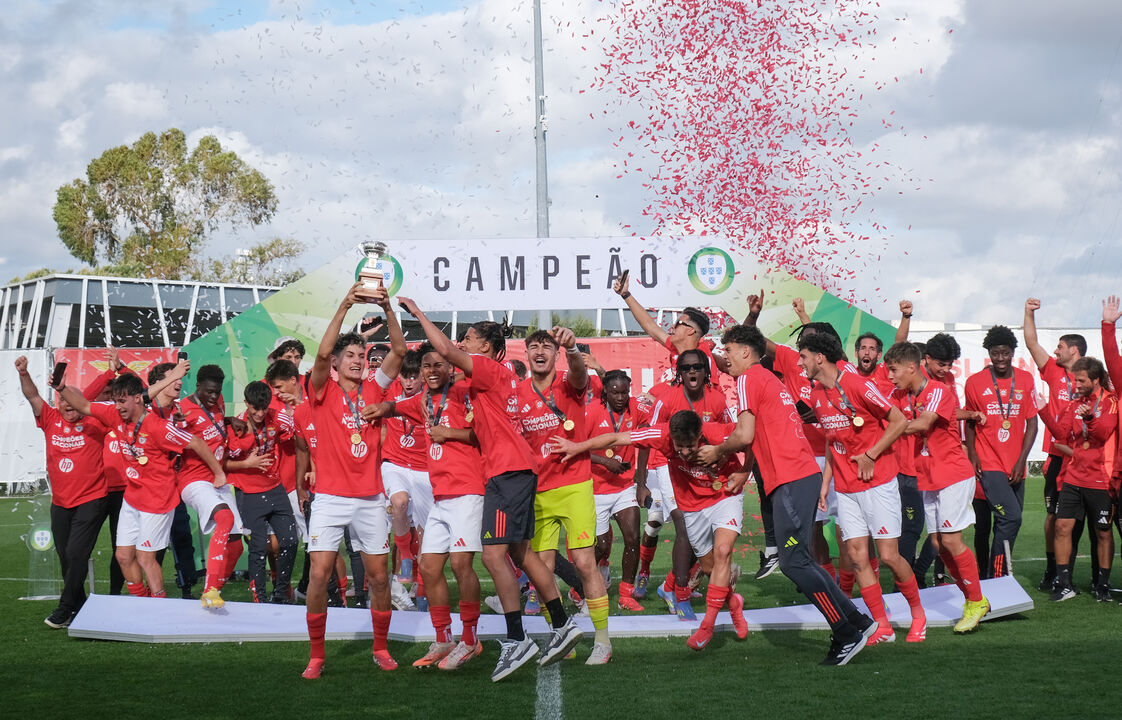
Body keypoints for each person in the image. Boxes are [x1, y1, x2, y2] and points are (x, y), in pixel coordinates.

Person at [398, 296, 580, 682]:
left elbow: (444, 349)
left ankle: (516, 638)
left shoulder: (488, 371)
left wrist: (417, 313)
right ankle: (563, 624)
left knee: (494, 557)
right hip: (517, 471)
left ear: (489, 349)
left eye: (469, 338)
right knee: (522, 553)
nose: (462, 343)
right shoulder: (495, 382)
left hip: (506, 473)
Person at [698, 325, 875, 666]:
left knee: (794, 562)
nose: (725, 357)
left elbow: (745, 433)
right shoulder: (767, 378)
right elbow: (762, 434)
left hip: (791, 479)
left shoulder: (749, 378)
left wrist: (717, 450)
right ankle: (857, 621)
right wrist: (745, 468)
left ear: (745, 352)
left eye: (729, 350)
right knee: (803, 560)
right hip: (798, 476)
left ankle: (845, 634)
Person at [553, 410, 750, 650]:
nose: (686, 452)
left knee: (722, 552)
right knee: (710, 566)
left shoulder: (718, 432)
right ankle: (732, 603)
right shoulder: (661, 434)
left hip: (725, 496)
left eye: (691, 446)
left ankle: (707, 626)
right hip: (692, 505)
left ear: (700, 434)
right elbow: (616, 438)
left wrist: (744, 470)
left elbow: (750, 439)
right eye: (680, 447)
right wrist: (578, 447)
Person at [300, 283, 406, 679]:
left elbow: (397, 352)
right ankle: (316, 655)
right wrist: (345, 302)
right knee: (318, 574)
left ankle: (380, 647)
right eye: (353, 355)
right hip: (329, 498)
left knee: (379, 576)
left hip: (368, 499)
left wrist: (388, 308)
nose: (360, 360)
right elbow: (323, 352)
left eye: (363, 355)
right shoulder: (321, 390)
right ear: (339, 361)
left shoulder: (375, 388)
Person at [797, 333, 927, 644]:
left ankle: (918, 614)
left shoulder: (857, 385)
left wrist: (870, 454)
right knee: (856, 558)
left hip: (878, 481)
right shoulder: (816, 395)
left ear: (819, 358)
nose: (800, 362)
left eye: (803, 356)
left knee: (889, 556)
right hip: (845, 486)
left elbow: (897, 421)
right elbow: (833, 441)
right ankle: (881, 625)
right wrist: (825, 483)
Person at [370, 343, 487, 670]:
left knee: (462, 566)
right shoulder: (422, 401)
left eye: (438, 365)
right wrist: (378, 408)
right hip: (441, 495)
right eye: (426, 366)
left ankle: (469, 639)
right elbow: (393, 406)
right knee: (431, 567)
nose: (432, 370)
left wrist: (448, 433)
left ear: (450, 368)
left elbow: (484, 435)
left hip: (467, 492)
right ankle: (443, 638)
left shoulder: (465, 394)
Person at [58, 372, 225, 600]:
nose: (118, 406)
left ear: (138, 398)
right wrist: (61, 388)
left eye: (122, 400)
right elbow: (85, 406)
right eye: (116, 401)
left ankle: (158, 608)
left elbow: (195, 442)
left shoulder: (157, 427)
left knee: (146, 558)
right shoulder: (115, 415)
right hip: (132, 498)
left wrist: (218, 473)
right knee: (123, 557)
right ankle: (142, 602)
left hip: (158, 501)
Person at [516, 328, 611, 665]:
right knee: (541, 569)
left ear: (555, 354)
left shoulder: (569, 383)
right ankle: (562, 636)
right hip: (538, 492)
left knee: (585, 563)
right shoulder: (518, 394)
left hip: (574, 485)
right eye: (534, 347)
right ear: (526, 353)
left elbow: (580, 372)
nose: (540, 351)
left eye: (547, 346)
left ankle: (602, 641)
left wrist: (572, 347)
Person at [883, 341, 990, 633]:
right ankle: (973, 598)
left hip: (953, 475)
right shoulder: (903, 395)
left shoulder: (938, 390)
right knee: (938, 545)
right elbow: (881, 407)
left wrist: (888, 428)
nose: (890, 377)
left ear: (911, 367)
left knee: (952, 542)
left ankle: (976, 600)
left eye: (894, 370)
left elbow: (922, 424)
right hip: (929, 477)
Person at [16, 356, 110, 628]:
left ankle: (64, 607)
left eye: (72, 401)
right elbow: (32, 395)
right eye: (63, 402)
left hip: (92, 499)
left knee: (77, 553)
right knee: (66, 556)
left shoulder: (96, 422)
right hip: (60, 502)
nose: (67, 406)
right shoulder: (50, 418)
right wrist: (23, 373)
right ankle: (81, 608)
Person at [648, 350, 736, 619]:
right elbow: (647, 437)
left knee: (704, 534)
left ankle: (669, 586)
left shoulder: (718, 401)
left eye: (698, 367)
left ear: (706, 371)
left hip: (703, 470)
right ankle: (681, 593)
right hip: (669, 465)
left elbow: (733, 437)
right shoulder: (667, 400)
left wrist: (720, 459)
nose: (692, 372)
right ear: (679, 373)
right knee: (683, 526)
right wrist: (642, 480)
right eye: (686, 368)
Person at [168, 364, 247, 609]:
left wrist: (230, 420)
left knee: (235, 544)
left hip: (217, 479)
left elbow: (216, 420)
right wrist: (176, 422)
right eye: (209, 392)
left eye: (217, 391)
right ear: (198, 386)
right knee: (224, 519)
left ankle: (213, 595)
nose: (214, 396)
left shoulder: (217, 402)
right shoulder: (182, 410)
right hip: (194, 480)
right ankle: (210, 590)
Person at [1024, 298, 1089, 590]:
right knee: (1053, 517)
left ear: (1073, 350)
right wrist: (1029, 312)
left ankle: (1073, 573)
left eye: (1060, 347)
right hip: (1057, 456)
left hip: (1084, 458)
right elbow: (1030, 341)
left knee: (1078, 520)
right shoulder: (1052, 371)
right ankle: (1053, 571)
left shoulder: (1093, 376)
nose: (1055, 351)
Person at [963, 325, 1038, 579]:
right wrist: (972, 454)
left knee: (1007, 524)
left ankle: (996, 575)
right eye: (995, 353)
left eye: (1005, 353)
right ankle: (997, 577)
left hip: (1016, 465)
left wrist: (1021, 461)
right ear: (989, 354)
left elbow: (1032, 423)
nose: (1001, 358)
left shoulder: (1026, 379)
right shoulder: (974, 382)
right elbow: (970, 422)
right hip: (989, 463)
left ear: (1012, 352)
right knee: (1011, 519)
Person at [1044, 357, 1118, 602]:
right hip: (1074, 477)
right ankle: (1065, 584)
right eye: (1075, 379)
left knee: (1103, 532)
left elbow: (1103, 432)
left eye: (1081, 380)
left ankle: (1103, 585)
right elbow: (1061, 437)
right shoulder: (1075, 404)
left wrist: (1089, 419)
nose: (1076, 384)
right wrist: (1044, 412)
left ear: (1095, 380)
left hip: (1101, 478)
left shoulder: (1110, 402)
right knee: (1062, 526)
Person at [225, 381, 299, 603]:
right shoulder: (236, 426)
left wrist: (296, 407)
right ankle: (260, 598)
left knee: (290, 541)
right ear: (246, 403)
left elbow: (300, 427)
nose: (259, 413)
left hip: (275, 488)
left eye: (263, 408)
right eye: (254, 408)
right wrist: (247, 464)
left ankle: (281, 593)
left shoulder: (277, 416)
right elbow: (221, 463)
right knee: (258, 548)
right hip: (248, 493)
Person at [588, 370, 645, 612]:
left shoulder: (636, 409)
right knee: (600, 547)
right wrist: (604, 462)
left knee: (633, 539)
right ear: (605, 392)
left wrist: (641, 482)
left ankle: (626, 594)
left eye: (625, 392)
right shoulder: (590, 411)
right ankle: (580, 585)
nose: (621, 397)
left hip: (624, 488)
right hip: (596, 490)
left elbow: (646, 442)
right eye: (615, 393)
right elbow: (578, 449)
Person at [381, 349, 432, 607]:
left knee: (425, 536)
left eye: (414, 377)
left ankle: (421, 591)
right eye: (406, 376)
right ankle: (404, 555)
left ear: (423, 377)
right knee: (399, 503)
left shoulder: (431, 399)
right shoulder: (390, 395)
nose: (410, 382)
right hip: (395, 464)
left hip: (424, 469)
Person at [612, 270, 726, 375]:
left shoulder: (703, 357)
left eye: (677, 323)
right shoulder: (676, 348)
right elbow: (650, 326)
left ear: (691, 330)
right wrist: (625, 294)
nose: (672, 327)